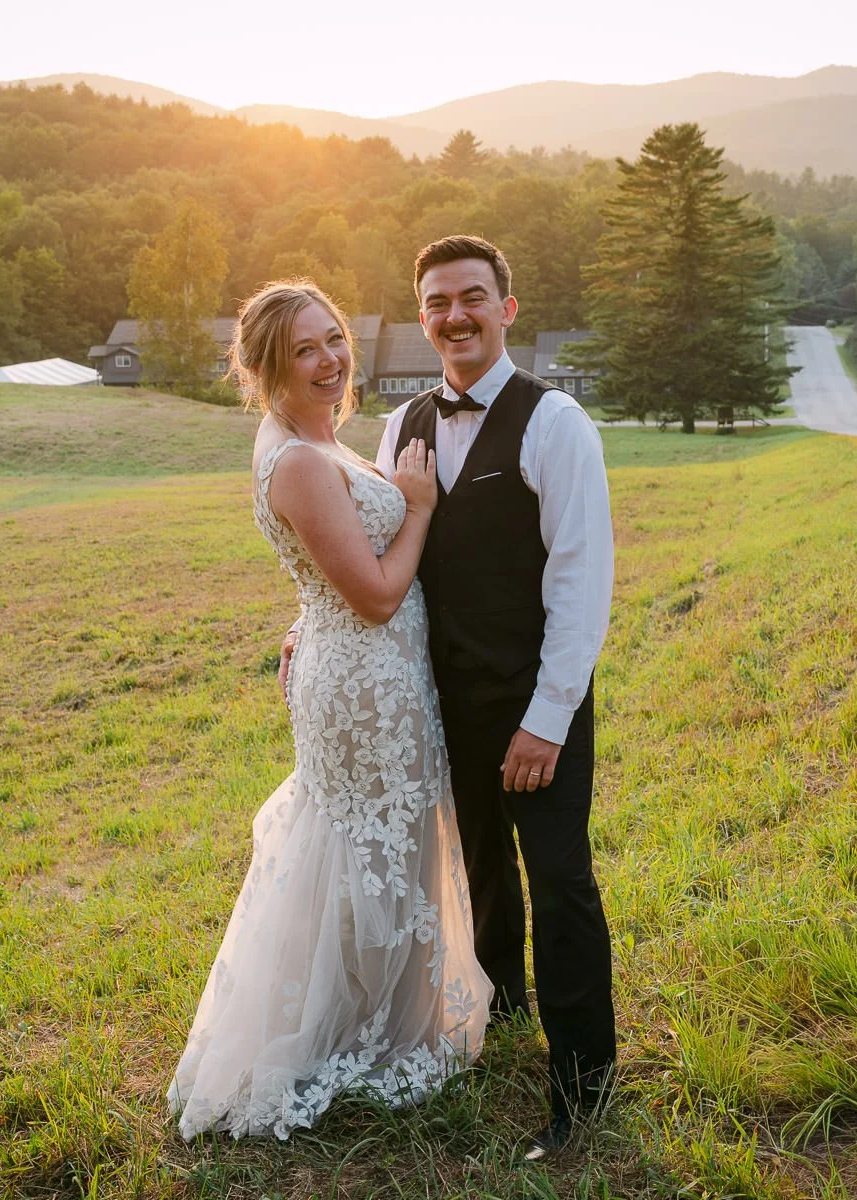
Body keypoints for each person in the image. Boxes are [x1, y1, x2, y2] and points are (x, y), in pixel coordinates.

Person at [288, 235, 617, 1159]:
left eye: (472, 297)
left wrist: (546, 720)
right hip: (438, 702)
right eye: (436, 303)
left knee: (559, 888)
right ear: (422, 316)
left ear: (507, 310)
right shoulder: (403, 427)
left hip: (532, 703)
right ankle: (505, 1016)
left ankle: (583, 1087)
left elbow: (581, 586)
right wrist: (306, 623)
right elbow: (387, 555)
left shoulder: (556, 424)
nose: (454, 316)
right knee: (476, 874)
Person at [167, 280, 492, 1141]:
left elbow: (326, 571)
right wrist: (418, 508)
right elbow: (379, 595)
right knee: (367, 844)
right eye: (305, 349)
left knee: (382, 841)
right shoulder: (303, 460)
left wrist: (304, 614)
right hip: (365, 683)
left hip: (367, 670)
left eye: (335, 339)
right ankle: (352, 1037)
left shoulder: (318, 441)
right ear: (267, 365)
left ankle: (375, 1019)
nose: (330, 360)